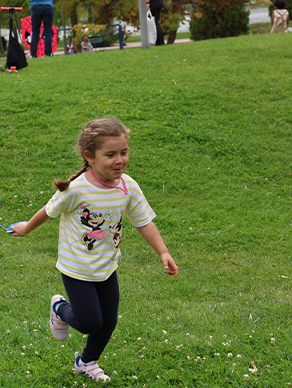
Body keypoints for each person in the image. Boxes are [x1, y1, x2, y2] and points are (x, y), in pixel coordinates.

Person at [10, 118, 179, 383]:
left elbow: (144, 222)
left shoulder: (128, 187)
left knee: (108, 322)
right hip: (76, 268)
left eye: (124, 152)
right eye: (110, 155)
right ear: (90, 157)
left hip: (106, 266)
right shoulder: (77, 189)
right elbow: (48, 211)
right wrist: (26, 228)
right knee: (90, 322)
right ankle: (59, 308)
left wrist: (163, 252)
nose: (120, 160)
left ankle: (86, 362)